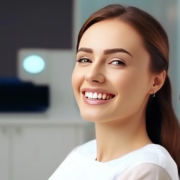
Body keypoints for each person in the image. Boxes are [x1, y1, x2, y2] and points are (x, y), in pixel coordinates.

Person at [48, 4, 180, 180]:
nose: (92, 75)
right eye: (85, 59)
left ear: (155, 81)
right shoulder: (81, 153)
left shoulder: (148, 169)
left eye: (117, 62)